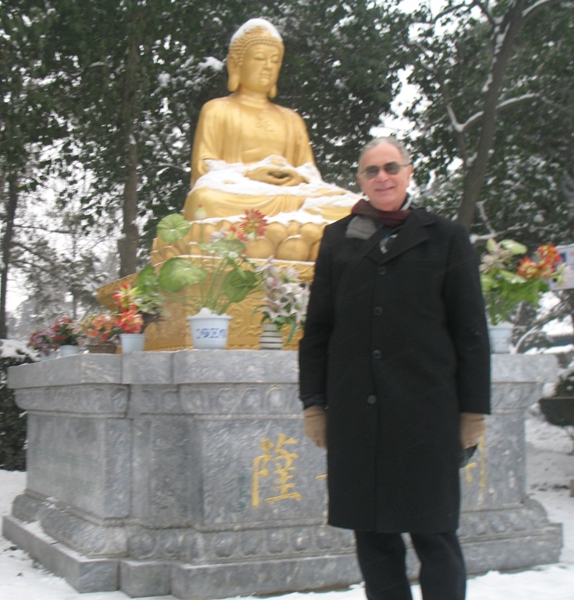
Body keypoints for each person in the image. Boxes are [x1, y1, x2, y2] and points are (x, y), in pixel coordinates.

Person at [298, 136, 491, 600]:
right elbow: (319, 327)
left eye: (390, 168)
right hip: (358, 414)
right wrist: (314, 404)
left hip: (427, 414)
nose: (381, 177)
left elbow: (471, 331)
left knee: (434, 533)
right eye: (371, 170)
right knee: (373, 536)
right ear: (359, 179)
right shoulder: (338, 239)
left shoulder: (445, 237)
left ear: (407, 173)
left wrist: (473, 412)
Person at [182, 18, 356, 223]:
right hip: (241, 194)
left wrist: (298, 176)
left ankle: (290, 228)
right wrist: (249, 173)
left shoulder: (291, 119)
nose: (268, 67)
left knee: (351, 207)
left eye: (275, 61)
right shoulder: (217, 110)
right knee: (205, 200)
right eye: (259, 58)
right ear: (236, 63)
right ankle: (290, 230)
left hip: (291, 195)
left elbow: (310, 172)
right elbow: (203, 168)